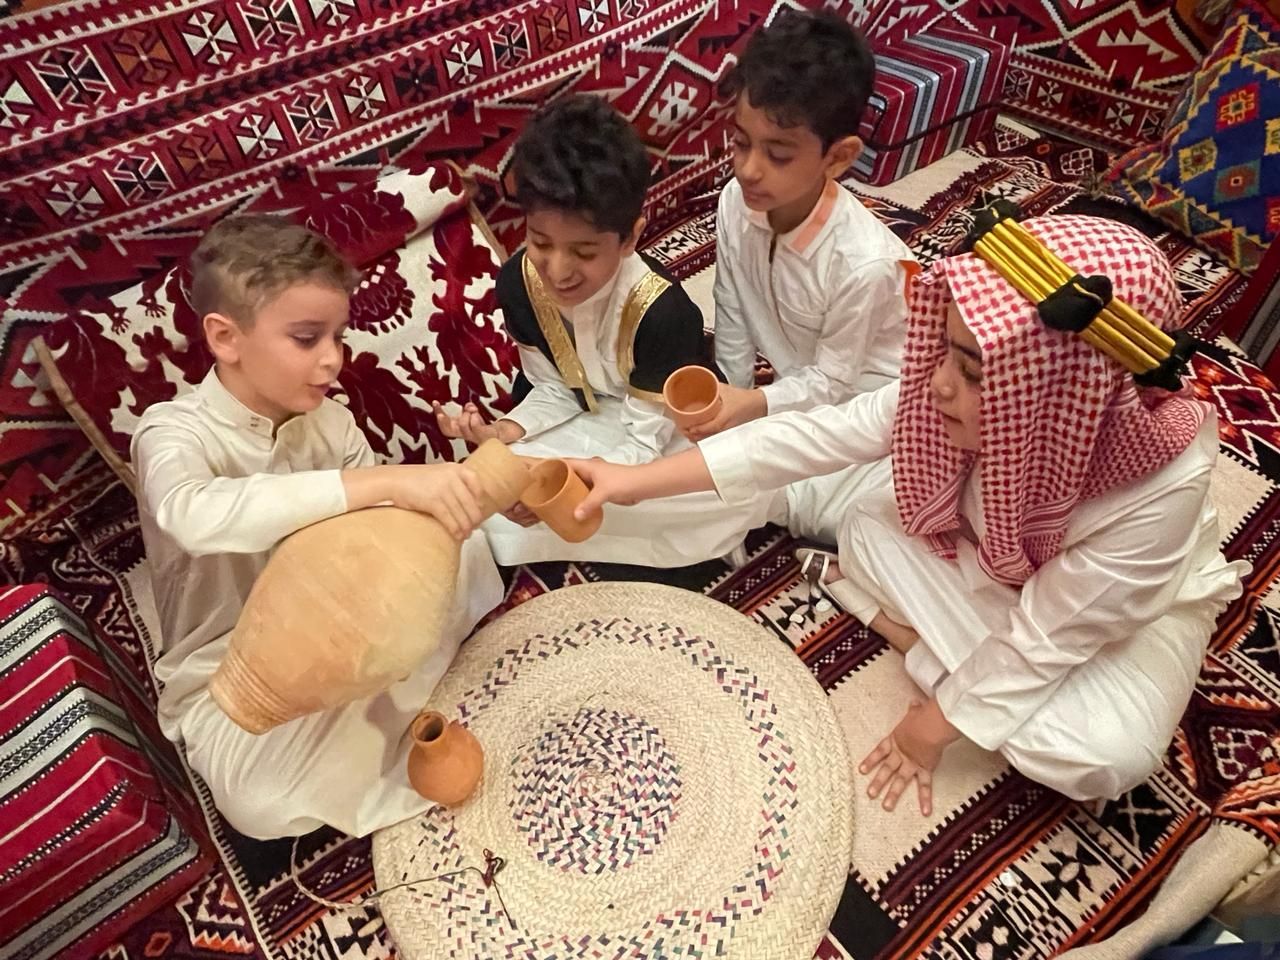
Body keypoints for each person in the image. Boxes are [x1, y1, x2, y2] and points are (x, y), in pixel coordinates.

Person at [571, 214, 1247, 813]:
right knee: (865, 525)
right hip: (996, 574)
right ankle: (940, 656)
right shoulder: (949, 388)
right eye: (948, 352)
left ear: (1062, 389)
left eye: (977, 373)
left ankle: (911, 644)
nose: (939, 385)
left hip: (1118, 620)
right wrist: (634, 482)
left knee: (1107, 755)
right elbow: (811, 438)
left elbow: (1052, 639)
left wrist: (931, 727)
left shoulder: (1163, 486)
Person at [132, 214, 504, 839]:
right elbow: (193, 516)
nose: (333, 360)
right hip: (233, 675)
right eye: (307, 339)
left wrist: (441, 502)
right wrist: (385, 483)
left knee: (468, 549)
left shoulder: (331, 424)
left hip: (345, 622)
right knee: (257, 803)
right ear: (226, 337)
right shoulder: (171, 432)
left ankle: (388, 715)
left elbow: (380, 536)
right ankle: (403, 723)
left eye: (338, 335)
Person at [435, 93, 777, 567]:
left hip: (660, 436)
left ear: (630, 237)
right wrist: (505, 430)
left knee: (721, 490)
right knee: (481, 491)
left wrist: (559, 486)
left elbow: (644, 444)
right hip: (590, 418)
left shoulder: (663, 313)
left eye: (584, 252)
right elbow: (554, 388)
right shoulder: (517, 282)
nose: (557, 270)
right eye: (540, 242)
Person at [702, 9, 916, 443]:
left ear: (837, 158)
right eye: (741, 143)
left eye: (778, 154)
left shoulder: (866, 265)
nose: (748, 170)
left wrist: (757, 406)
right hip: (798, 393)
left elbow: (834, 383)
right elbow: (733, 310)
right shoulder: (733, 204)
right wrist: (732, 404)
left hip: (871, 411)